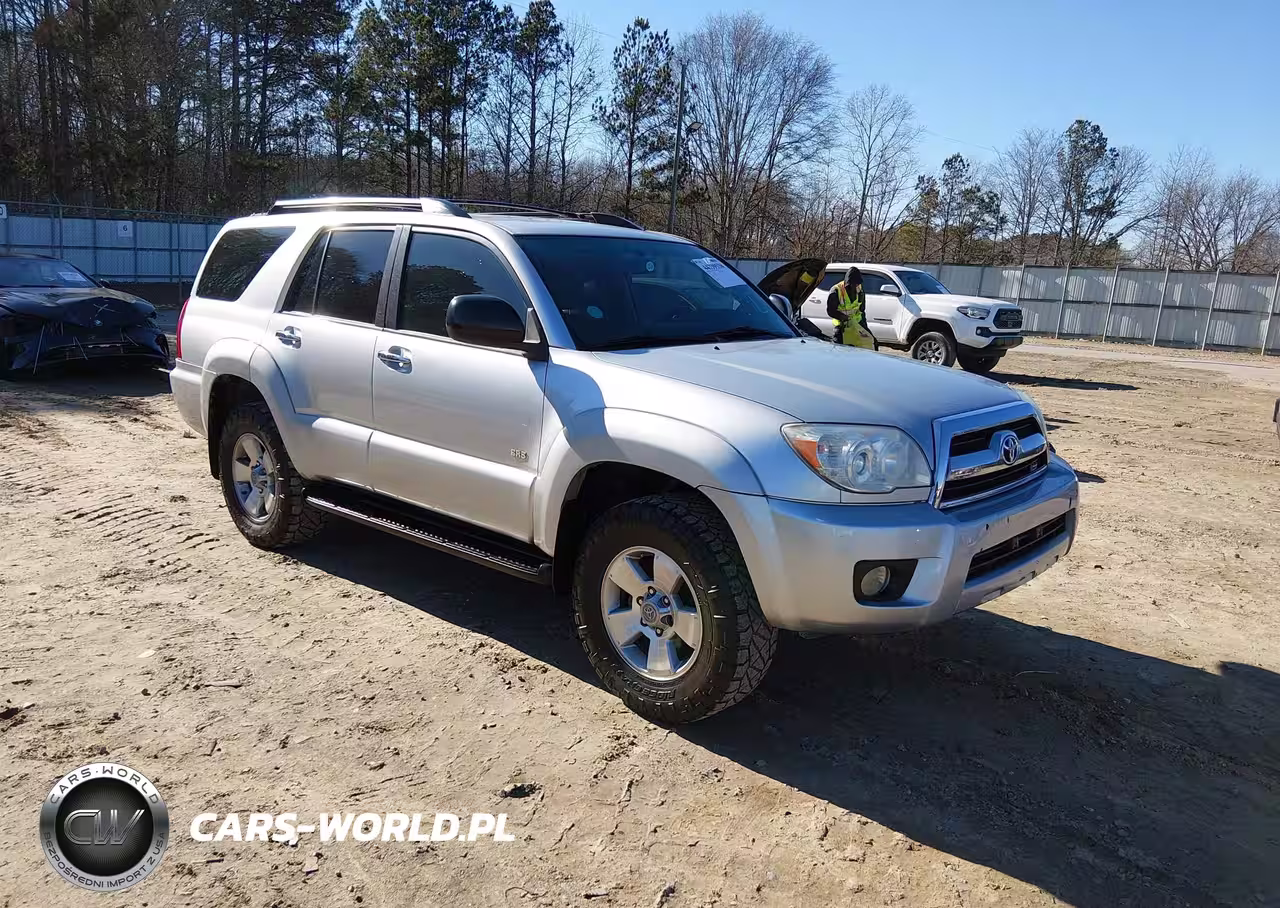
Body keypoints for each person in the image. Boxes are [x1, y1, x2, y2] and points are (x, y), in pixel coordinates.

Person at [826, 266, 877, 349]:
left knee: (870, 342)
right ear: (848, 283)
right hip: (841, 327)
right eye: (854, 284)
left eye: (858, 284)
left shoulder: (860, 289)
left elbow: (861, 310)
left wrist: (866, 329)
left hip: (857, 324)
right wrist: (844, 318)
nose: (856, 286)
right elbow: (830, 311)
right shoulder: (836, 290)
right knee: (839, 349)